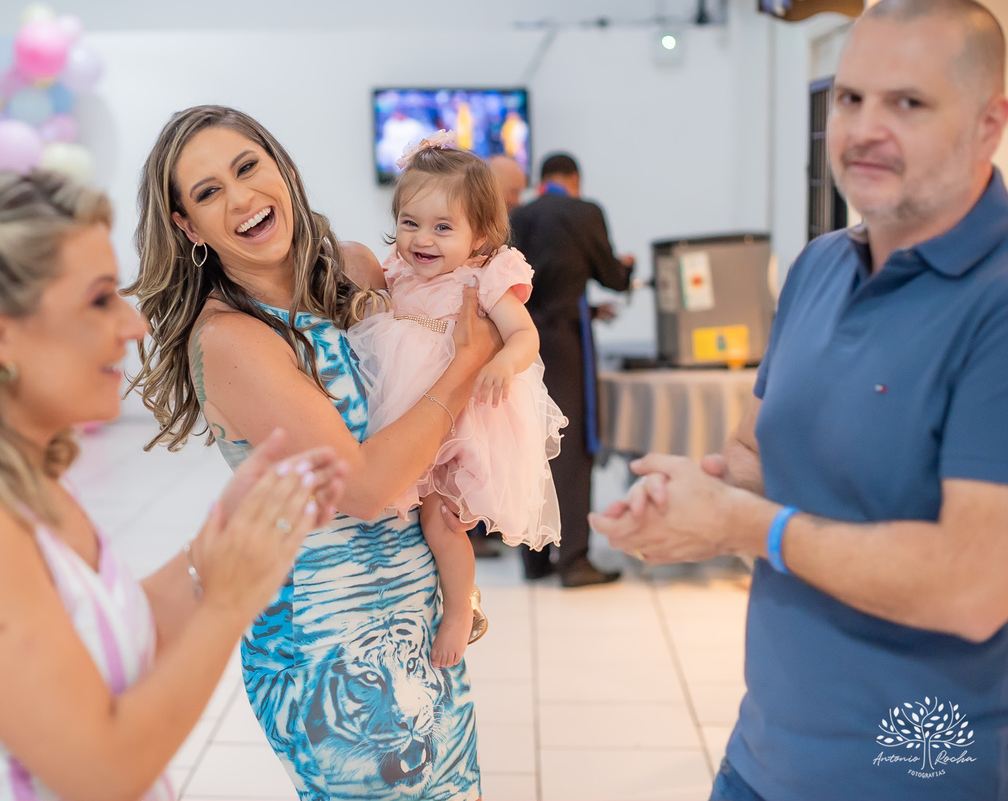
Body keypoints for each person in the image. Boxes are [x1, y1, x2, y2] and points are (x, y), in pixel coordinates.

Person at [591, 2, 1008, 799]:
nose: (862, 129)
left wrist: (739, 523)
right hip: (763, 756)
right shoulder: (819, 266)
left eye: (908, 102)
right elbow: (763, 457)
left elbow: (975, 584)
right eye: (850, 98)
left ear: (988, 124)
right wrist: (696, 499)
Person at [0, 169, 346, 801]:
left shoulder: (17, 482)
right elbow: (100, 776)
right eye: (100, 297)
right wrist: (227, 603)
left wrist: (220, 546)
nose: (133, 325)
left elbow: (110, 633)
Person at [128, 106, 500, 800]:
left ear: (284, 169)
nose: (239, 198)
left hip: (415, 611)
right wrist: (472, 362)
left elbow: (422, 383)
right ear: (187, 226)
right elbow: (362, 485)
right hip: (329, 644)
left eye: (247, 167)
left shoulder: (357, 267)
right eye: (208, 192)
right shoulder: (230, 338)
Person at [346, 133, 566, 666]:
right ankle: (404, 600)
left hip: (466, 414)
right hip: (407, 411)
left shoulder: (484, 278)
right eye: (410, 223)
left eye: (444, 227)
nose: (423, 239)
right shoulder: (394, 273)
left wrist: (499, 364)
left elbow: (525, 337)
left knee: (440, 518)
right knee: (398, 509)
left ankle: (461, 608)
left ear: (480, 235)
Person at [510, 152, 634, 587]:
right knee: (573, 445)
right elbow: (612, 276)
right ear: (574, 180)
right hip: (566, 343)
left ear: (543, 180)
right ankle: (575, 559)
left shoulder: (519, 215)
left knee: (532, 442)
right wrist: (627, 271)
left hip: (520, 342)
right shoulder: (585, 212)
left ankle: (535, 556)